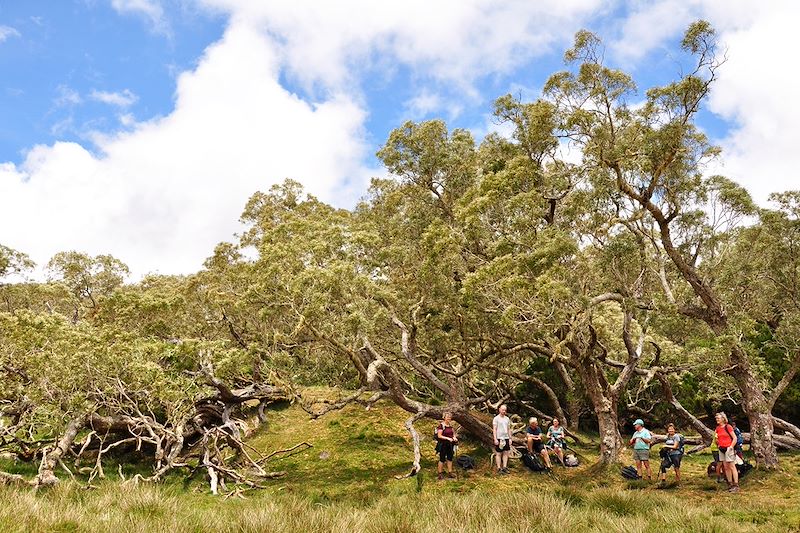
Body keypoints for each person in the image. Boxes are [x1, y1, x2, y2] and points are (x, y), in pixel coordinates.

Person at [715, 412, 739, 492]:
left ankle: (736, 485)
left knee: (732, 466)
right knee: (726, 467)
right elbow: (717, 438)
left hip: (729, 448)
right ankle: (730, 484)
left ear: (723, 419)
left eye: (718, 418)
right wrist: (717, 443)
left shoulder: (728, 427)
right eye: (716, 418)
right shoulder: (717, 428)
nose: (717, 419)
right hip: (721, 449)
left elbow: (735, 438)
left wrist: (731, 447)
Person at [436, 412, 458, 480]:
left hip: (450, 445)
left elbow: (453, 434)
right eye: (447, 417)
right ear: (444, 417)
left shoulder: (450, 426)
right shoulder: (441, 426)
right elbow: (439, 435)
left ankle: (450, 472)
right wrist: (447, 438)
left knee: (450, 458)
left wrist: (454, 438)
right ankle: (440, 473)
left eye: (450, 417)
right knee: (442, 458)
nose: (449, 418)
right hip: (443, 444)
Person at [493, 404, 512, 474]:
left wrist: (510, 438)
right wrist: (495, 439)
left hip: (506, 437)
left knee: (506, 452)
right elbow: (494, 429)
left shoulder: (507, 419)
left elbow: (509, 429)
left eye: (505, 410)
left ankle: (505, 467)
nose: (504, 411)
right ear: (499, 410)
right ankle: (498, 468)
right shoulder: (496, 419)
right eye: (502, 410)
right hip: (499, 438)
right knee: (498, 453)